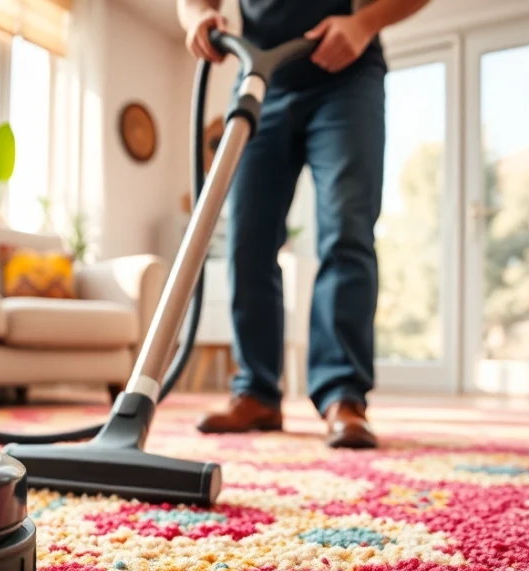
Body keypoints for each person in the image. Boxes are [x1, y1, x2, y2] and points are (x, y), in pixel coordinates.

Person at [178, 0, 429, 448]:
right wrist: (197, 17)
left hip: (347, 75)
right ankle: (256, 393)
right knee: (247, 240)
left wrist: (364, 23)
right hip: (260, 77)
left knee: (346, 228)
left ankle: (342, 394)